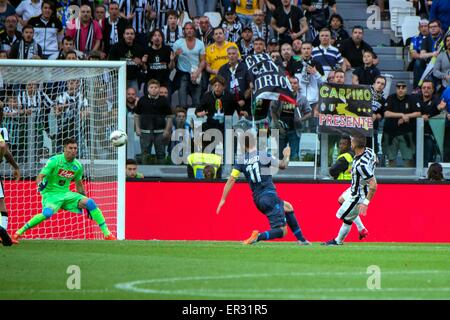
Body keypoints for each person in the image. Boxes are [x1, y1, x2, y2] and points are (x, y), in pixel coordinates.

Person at [12, 138, 116, 244]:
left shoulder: (77, 166)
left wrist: (87, 207)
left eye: (75, 148)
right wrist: (40, 185)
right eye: (70, 148)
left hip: (66, 194)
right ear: (65, 149)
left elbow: (79, 186)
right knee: (47, 213)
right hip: (51, 194)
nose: (73, 150)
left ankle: (107, 234)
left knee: (90, 202)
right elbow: (40, 176)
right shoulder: (55, 161)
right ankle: (18, 233)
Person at [216, 136, 310, 245]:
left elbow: (232, 179)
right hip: (269, 195)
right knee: (282, 231)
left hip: (258, 199)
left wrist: (223, 199)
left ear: (243, 146)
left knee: (288, 207)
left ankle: (301, 240)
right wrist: (287, 155)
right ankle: (257, 237)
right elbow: (283, 165)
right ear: (255, 142)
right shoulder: (263, 155)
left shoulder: (241, 160)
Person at [323, 134, 376, 245]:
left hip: (358, 195)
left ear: (355, 145)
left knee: (347, 219)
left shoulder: (361, 166)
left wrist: (365, 203)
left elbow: (373, 185)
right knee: (341, 200)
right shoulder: (370, 151)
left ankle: (338, 241)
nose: (350, 143)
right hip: (354, 188)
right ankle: (361, 228)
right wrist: (354, 171)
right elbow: (376, 160)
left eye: (351, 141)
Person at [0, 129, 20, 239]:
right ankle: (2, 231)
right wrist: (15, 166)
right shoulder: (2, 130)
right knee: (1, 203)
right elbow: (3, 147)